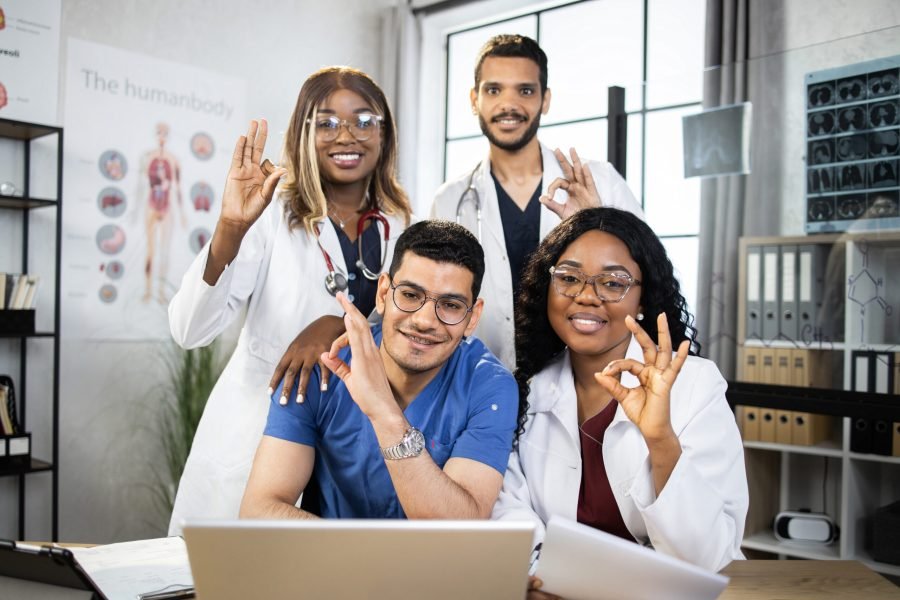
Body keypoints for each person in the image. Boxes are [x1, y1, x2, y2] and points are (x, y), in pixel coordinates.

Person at [167, 67, 412, 534]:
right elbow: (190, 330)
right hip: (261, 432)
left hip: (353, 441)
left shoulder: (398, 222)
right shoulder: (269, 213)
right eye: (326, 122)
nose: (347, 135)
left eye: (364, 121)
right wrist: (230, 229)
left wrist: (334, 326)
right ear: (303, 131)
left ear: (384, 134)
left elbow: (409, 328)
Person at [492, 208, 748, 594]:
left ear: (643, 300)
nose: (586, 296)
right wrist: (543, 572)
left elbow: (709, 559)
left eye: (613, 283)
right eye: (569, 278)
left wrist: (660, 438)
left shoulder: (694, 385)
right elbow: (511, 511)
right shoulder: (526, 390)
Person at [240, 220, 518, 519]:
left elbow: (461, 527)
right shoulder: (320, 365)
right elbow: (259, 509)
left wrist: (384, 413)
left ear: (473, 317)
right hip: (329, 564)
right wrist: (366, 558)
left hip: (430, 567)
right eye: (410, 295)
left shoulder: (489, 387)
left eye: (450, 305)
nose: (425, 320)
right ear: (383, 293)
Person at [431, 34, 644, 370]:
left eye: (525, 91)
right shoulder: (450, 201)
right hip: (482, 378)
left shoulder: (600, 181)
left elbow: (646, 275)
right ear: (474, 100)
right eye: (493, 90)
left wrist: (594, 221)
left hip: (583, 375)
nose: (508, 104)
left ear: (545, 100)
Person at [140, 122, 187, 304]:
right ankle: (148, 290)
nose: (161, 136)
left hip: (167, 205)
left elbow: (177, 187)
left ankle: (160, 291)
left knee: (164, 250)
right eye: (159, 133)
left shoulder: (173, 160)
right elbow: (141, 185)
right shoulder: (148, 158)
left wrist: (182, 213)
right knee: (150, 250)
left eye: (165, 133)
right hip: (152, 204)